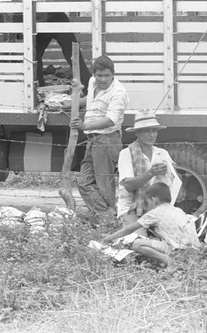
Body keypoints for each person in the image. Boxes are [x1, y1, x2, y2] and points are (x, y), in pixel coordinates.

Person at [68, 55, 129, 222]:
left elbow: (111, 120)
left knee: (104, 186)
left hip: (107, 140)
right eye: (99, 75)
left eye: (107, 76)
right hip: (93, 140)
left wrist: (84, 126)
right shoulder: (92, 82)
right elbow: (90, 100)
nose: (103, 79)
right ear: (94, 74)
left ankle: (109, 222)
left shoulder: (118, 92)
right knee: (84, 182)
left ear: (113, 74)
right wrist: (70, 103)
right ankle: (106, 216)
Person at [102, 182, 199, 267]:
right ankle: (179, 260)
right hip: (194, 251)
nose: (147, 205)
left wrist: (109, 238)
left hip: (179, 250)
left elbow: (128, 229)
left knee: (137, 244)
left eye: (148, 202)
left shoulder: (155, 212)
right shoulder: (177, 210)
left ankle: (170, 261)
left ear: (154, 200)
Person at [117, 109, 181, 236]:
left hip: (158, 208)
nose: (152, 135)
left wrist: (172, 171)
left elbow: (176, 183)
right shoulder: (126, 153)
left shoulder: (162, 153)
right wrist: (150, 173)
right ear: (138, 133)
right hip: (132, 209)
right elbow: (128, 185)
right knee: (138, 241)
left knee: (175, 238)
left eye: (154, 130)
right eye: (147, 131)